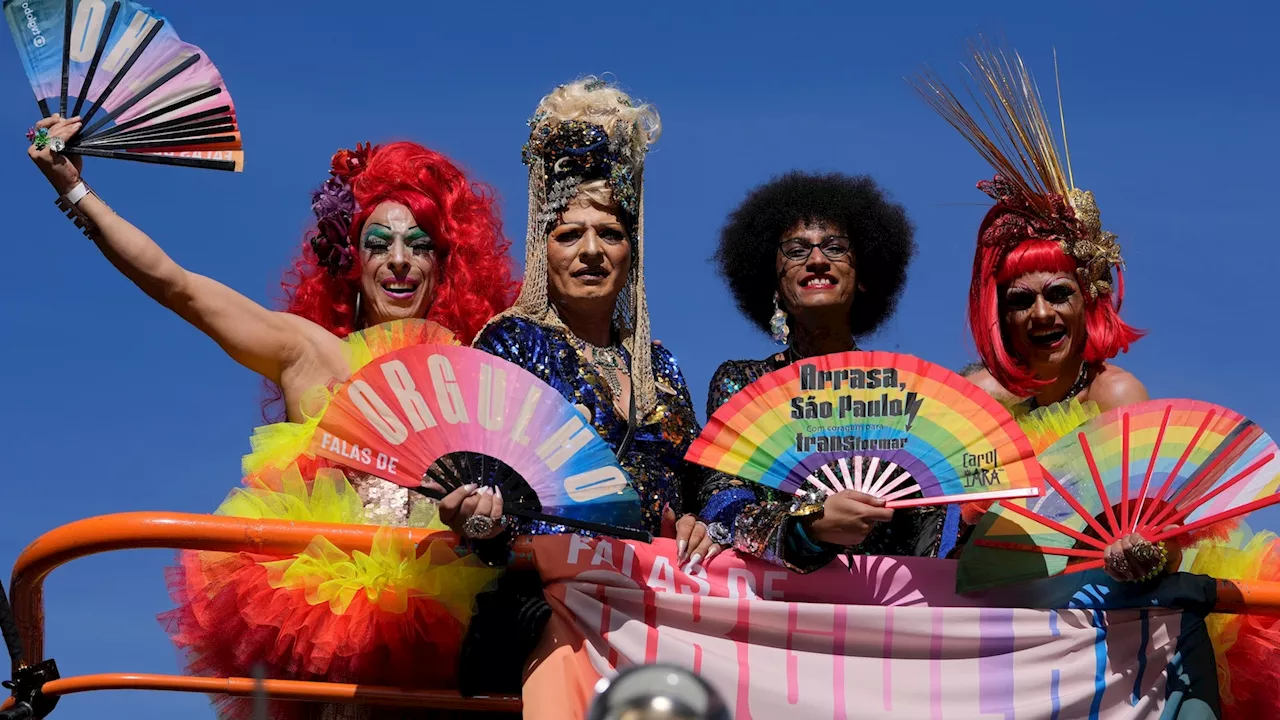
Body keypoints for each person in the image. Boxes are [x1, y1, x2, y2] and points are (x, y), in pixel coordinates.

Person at [27, 118, 519, 720]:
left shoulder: (480, 370)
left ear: (445, 265)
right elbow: (177, 286)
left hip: (453, 624)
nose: (399, 261)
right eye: (379, 242)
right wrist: (74, 189)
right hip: (332, 625)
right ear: (351, 259)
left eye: (419, 244)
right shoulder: (310, 353)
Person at [434, 76, 705, 697]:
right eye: (568, 234)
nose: (590, 252)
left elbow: (699, 485)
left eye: (610, 233)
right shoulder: (509, 346)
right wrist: (479, 520)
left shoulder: (660, 367)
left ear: (633, 252)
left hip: (661, 629)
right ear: (541, 248)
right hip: (551, 628)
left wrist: (698, 521)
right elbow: (484, 499)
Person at [914, 46, 1171, 583]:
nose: (1040, 313)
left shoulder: (1114, 395)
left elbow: (1152, 526)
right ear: (999, 315)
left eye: (1057, 294)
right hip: (993, 612)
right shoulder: (981, 400)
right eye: (1019, 300)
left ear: (1089, 299)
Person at [689, 171, 936, 572]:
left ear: (864, 276)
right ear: (772, 278)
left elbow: (931, 517)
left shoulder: (905, 391)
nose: (817, 260)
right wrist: (810, 527)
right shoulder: (744, 382)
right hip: (777, 615)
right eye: (796, 249)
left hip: (885, 615)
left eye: (835, 247)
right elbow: (722, 504)